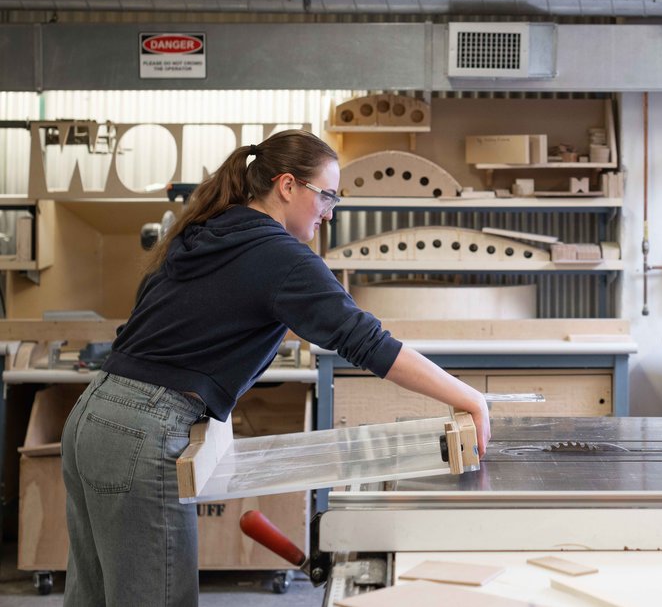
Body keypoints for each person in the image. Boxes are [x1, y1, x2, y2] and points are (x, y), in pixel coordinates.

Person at [60, 129, 491, 607]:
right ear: (287, 186)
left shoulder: (209, 228)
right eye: (326, 196)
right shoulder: (280, 256)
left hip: (92, 417)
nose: (330, 212)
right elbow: (365, 340)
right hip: (143, 430)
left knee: (92, 597)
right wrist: (467, 397)